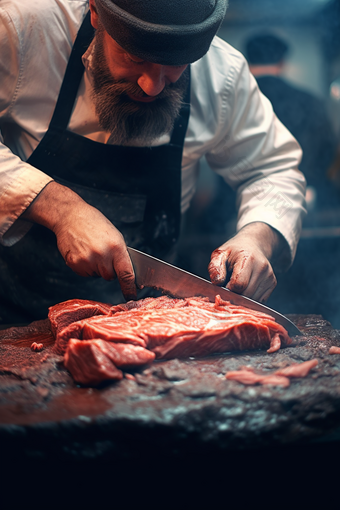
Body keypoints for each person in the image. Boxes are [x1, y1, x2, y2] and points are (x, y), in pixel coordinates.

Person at [0, 0, 306, 323]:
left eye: (176, 65)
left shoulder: (223, 74)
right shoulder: (23, 32)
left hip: (150, 326)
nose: (153, 85)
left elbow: (272, 167)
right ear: (94, 12)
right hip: (12, 316)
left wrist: (258, 235)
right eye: (134, 57)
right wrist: (59, 207)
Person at [245, 31, 337, 210]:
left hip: (243, 200)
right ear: (282, 62)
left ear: (246, 62)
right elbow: (328, 149)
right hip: (304, 195)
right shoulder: (309, 101)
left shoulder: (236, 100)